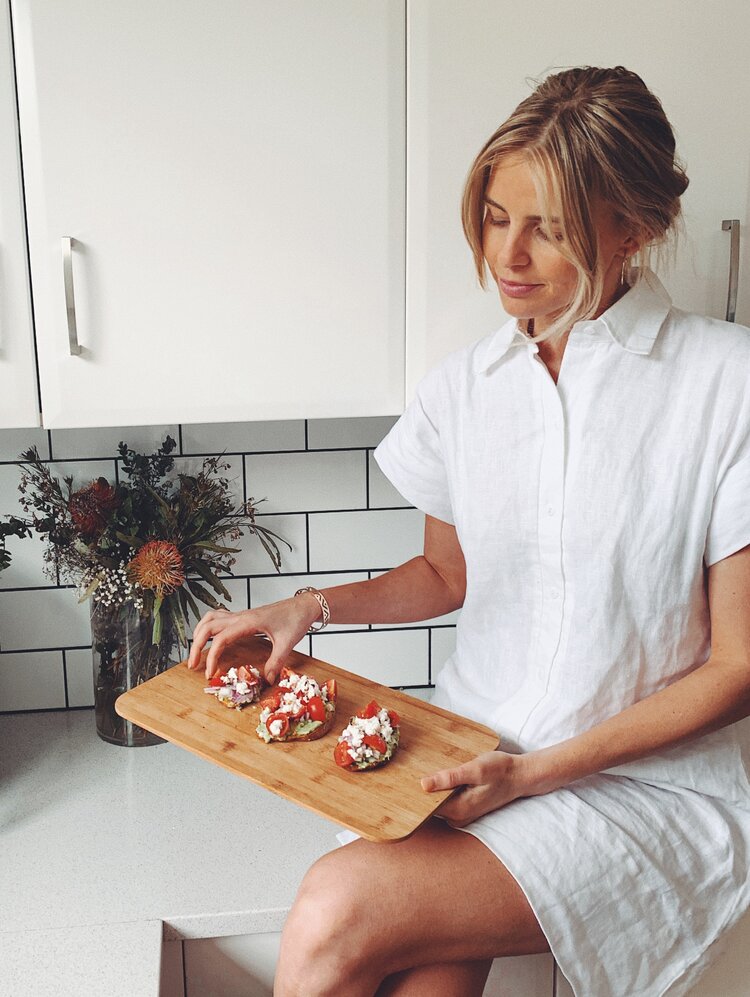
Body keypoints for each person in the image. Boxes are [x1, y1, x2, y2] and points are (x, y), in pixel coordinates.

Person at [187, 66, 750, 996]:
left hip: (636, 791)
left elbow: (738, 667)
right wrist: (310, 604)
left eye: (550, 227)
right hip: (463, 754)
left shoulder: (725, 384)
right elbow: (444, 573)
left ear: (634, 230)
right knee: (427, 983)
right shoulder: (466, 387)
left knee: (336, 906)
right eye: (495, 217)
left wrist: (533, 775)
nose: (508, 255)